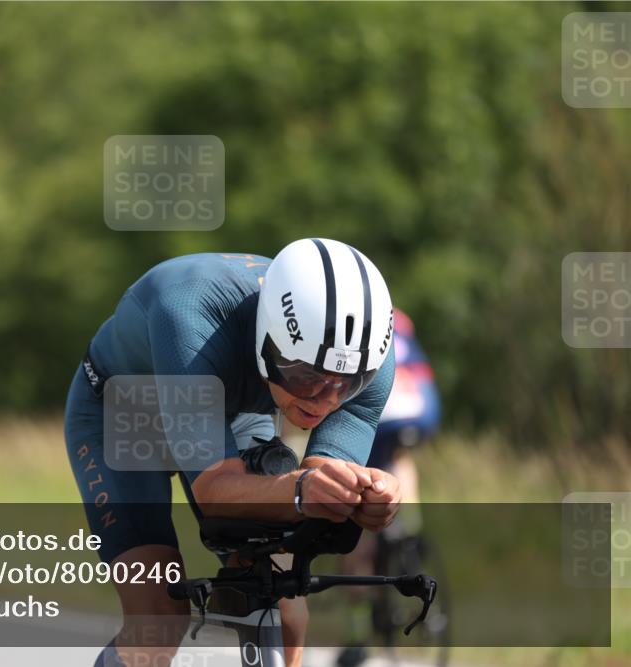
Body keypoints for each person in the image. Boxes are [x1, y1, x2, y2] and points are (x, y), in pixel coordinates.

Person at [64, 238, 402, 667]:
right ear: (267, 339)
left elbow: (323, 479)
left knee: (283, 610)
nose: (323, 401)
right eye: (305, 377)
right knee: (159, 615)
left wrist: (367, 494)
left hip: (230, 408)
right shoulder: (190, 309)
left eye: (345, 384)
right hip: (125, 412)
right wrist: (301, 489)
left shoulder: (369, 357)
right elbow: (216, 488)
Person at [335, 307, 442, 667]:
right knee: (400, 456)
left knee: (354, 501)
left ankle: (358, 636)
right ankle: (410, 531)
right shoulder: (401, 319)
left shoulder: (343, 322)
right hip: (420, 405)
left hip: (380, 407)